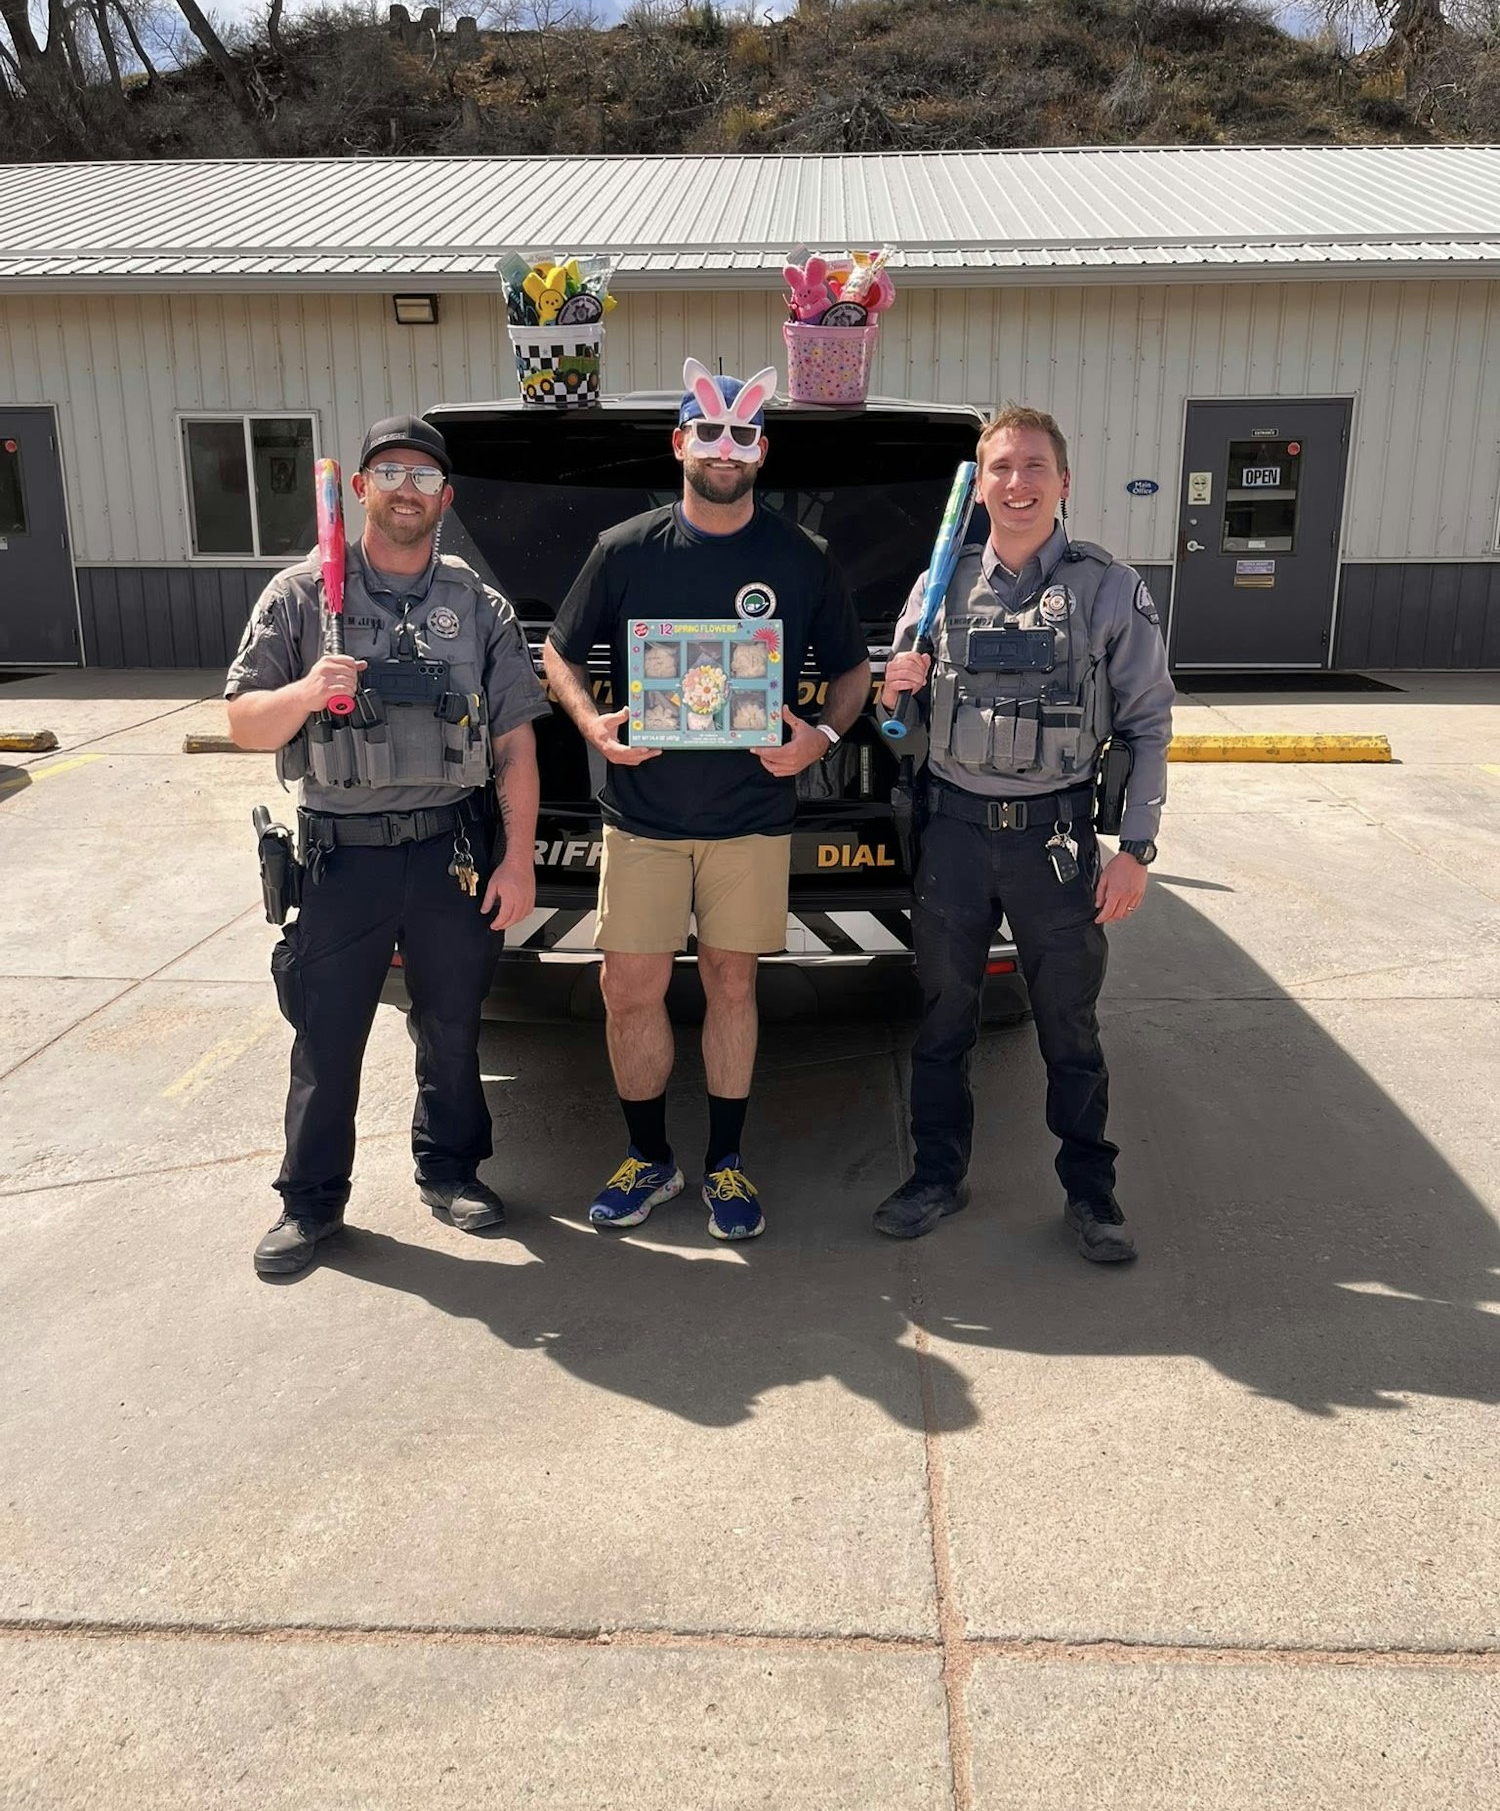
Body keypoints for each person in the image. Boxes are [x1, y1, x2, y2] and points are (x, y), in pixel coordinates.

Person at [541, 359, 871, 1241]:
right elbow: (560, 654)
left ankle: (726, 1165)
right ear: (680, 442)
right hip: (642, 820)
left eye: (745, 438)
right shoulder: (624, 550)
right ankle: (650, 1158)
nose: (727, 452)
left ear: (762, 452)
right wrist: (594, 727)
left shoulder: (802, 559)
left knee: (733, 987)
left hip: (751, 822)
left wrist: (821, 739)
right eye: (711, 434)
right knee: (628, 991)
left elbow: (852, 670)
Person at [225, 415, 550, 1276]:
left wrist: (517, 859)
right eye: (390, 472)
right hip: (341, 859)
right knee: (327, 1037)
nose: (407, 488)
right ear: (361, 488)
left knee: (452, 1030)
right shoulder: (301, 597)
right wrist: (302, 691)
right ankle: (311, 1203)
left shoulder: (477, 605)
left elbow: (516, 742)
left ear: (447, 497)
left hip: (451, 852)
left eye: (425, 476)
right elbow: (243, 723)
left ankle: (451, 1173)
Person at [872, 404, 1174, 1263]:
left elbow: (1148, 722)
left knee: (1068, 1028)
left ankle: (1092, 1194)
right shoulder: (938, 588)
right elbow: (895, 733)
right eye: (1000, 467)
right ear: (981, 486)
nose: (1017, 483)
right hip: (956, 836)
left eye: (1034, 466)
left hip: (1056, 840)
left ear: (1064, 482)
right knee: (943, 1022)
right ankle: (936, 1175)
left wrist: (1136, 850)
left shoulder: (1107, 587)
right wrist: (898, 689)